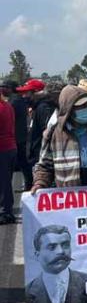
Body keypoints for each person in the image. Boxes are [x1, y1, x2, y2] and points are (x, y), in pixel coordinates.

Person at [13, 79, 45, 190]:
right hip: (35, 159)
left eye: (27, 93)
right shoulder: (36, 108)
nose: (24, 96)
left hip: (42, 159)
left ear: (36, 92)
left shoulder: (43, 109)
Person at [27, 84, 61, 171]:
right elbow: (47, 131)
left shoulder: (43, 106)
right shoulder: (45, 108)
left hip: (39, 151)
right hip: (40, 152)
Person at [0, 82, 17, 224]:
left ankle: (5, 212)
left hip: (3, 149)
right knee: (6, 182)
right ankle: (7, 210)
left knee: (3, 182)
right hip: (10, 148)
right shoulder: (8, 106)